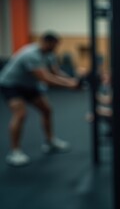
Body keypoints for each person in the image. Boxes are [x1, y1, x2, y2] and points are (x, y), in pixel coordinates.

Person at [0, 32, 80, 166]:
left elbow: (55, 72)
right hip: (11, 85)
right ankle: (15, 152)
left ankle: (50, 142)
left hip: (30, 85)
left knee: (47, 110)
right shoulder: (31, 54)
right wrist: (69, 85)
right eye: (54, 45)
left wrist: (72, 80)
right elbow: (46, 79)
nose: (55, 48)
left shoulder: (50, 54)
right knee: (20, 114)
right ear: (45, 42)